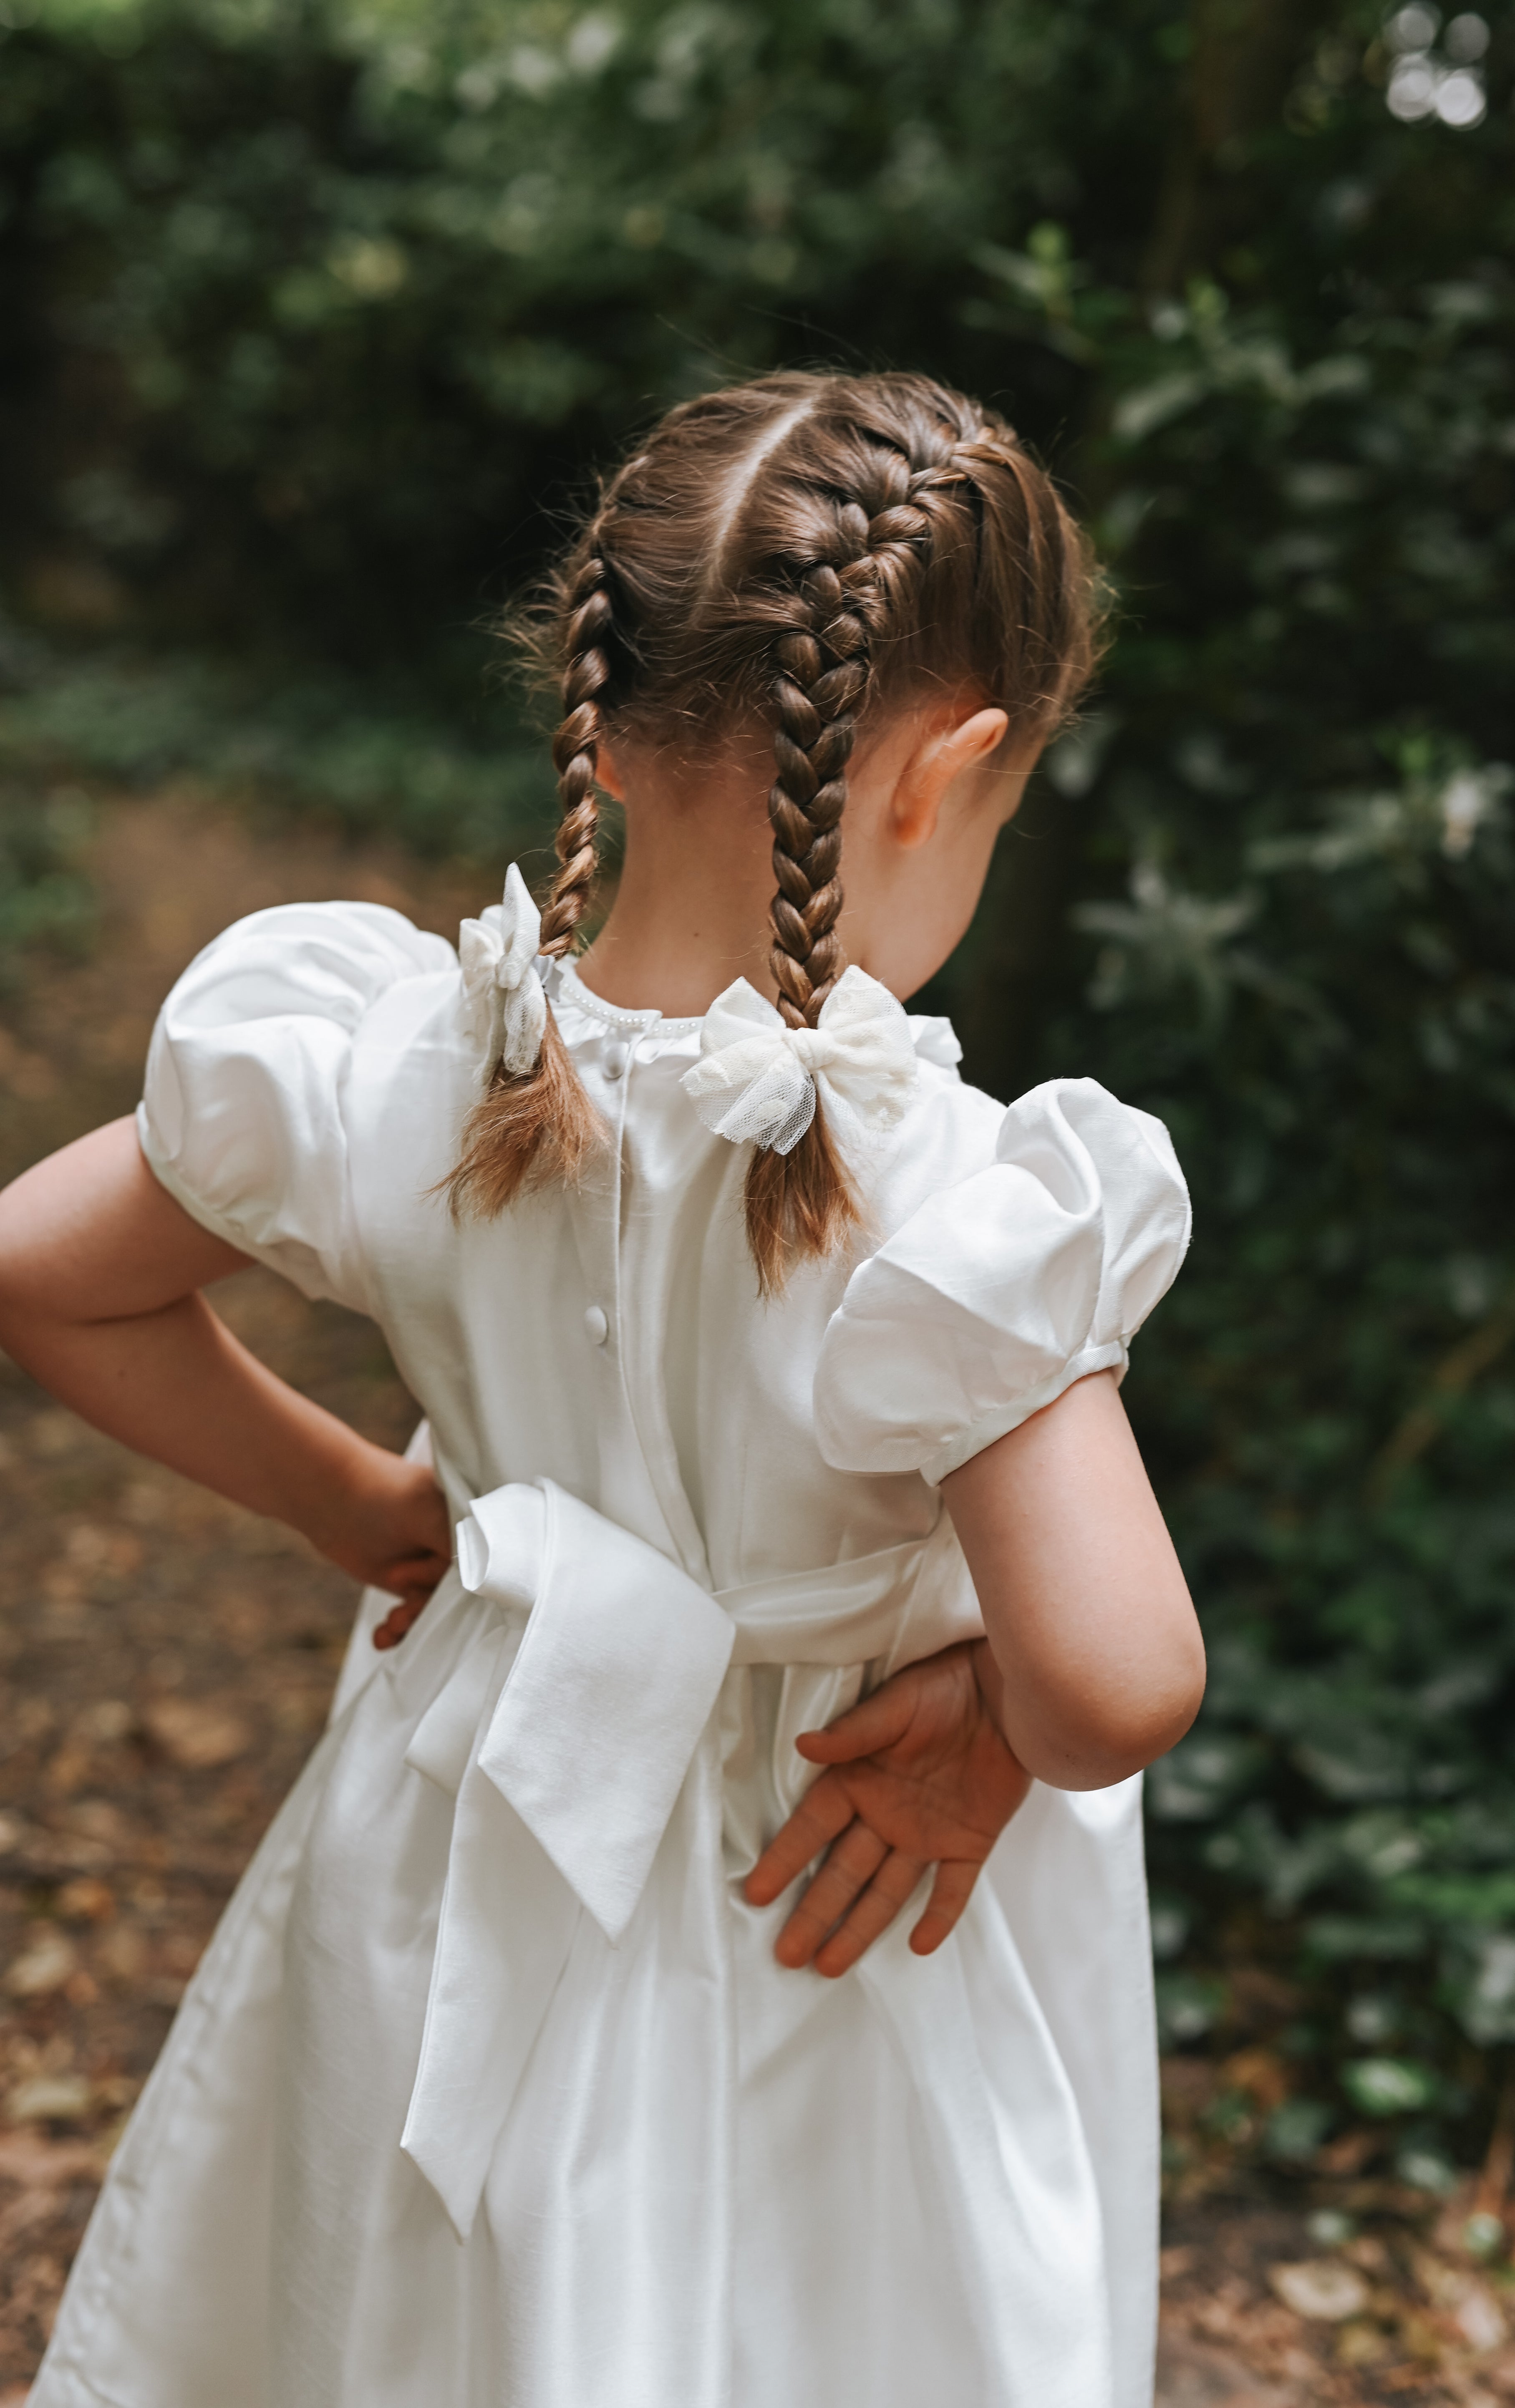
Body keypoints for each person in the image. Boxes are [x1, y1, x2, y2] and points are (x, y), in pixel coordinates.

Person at [0, 370, 1204, 2408]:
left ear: (610, 711)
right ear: (951, 771)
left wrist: (348, 1503)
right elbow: (1115, 1676)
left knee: (435, 2314)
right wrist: (993, 1724)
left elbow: (44, 1273)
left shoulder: (412, 1062)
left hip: (469, 1840)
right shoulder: (950, 1194)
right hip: (833, 1900)